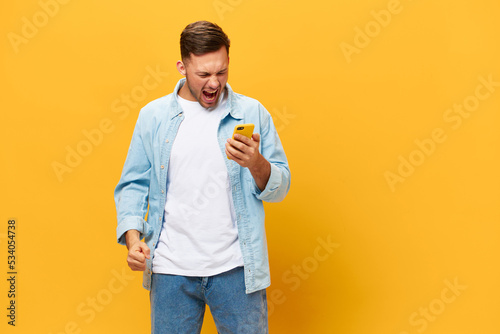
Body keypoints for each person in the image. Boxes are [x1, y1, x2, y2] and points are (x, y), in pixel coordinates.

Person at [114, 20, 290, 334]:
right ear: (182, 67)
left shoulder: (252, 113)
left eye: (221, 72)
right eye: (204, 74)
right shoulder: (153, 117)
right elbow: (133, 184)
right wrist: (132, 240)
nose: (214, 83)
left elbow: (280, 188)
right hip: (170, 271)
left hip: (238, 270)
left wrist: (256, 163)